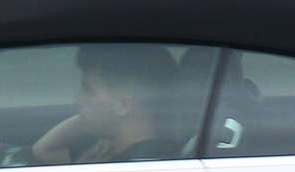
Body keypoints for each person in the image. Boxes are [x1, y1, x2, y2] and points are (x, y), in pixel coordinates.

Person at [31, 44, 182, 164]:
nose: (76, 100)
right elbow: (43, 149)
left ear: (124, 105)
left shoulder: (139, 166)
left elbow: (45, 149)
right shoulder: (150, 156)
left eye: (89, 92)